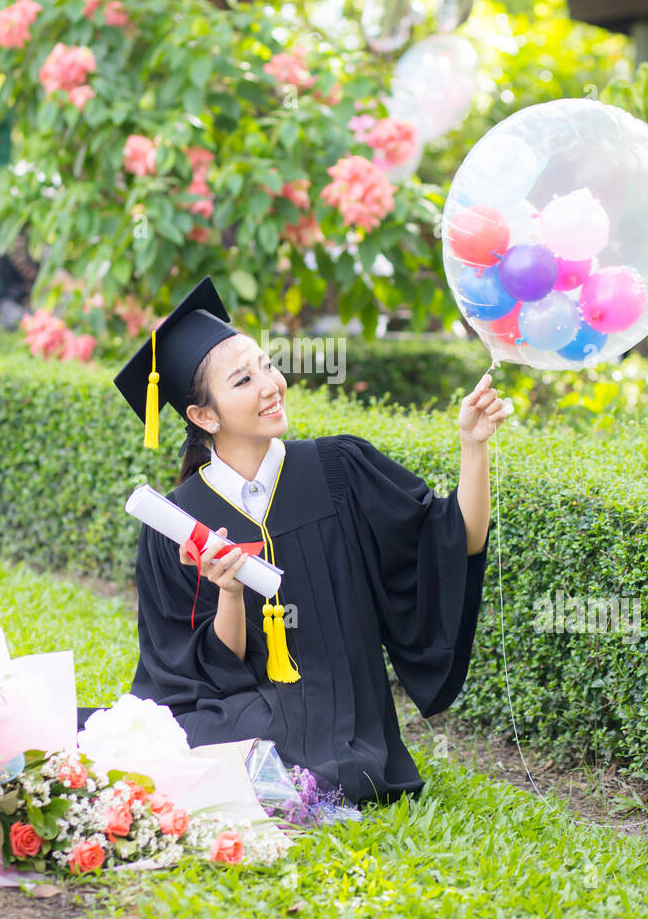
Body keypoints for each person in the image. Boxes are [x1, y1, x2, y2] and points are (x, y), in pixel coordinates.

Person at [83, 276, 506, 807]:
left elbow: (452, 539)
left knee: (342, 772)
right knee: (166, 745)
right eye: (243, 380)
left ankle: (262, 769)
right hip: (236, 708)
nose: (269, 384)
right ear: (203, 415)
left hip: (342, 711)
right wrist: (231, 593)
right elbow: (197, 675)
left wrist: (474, 445)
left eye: (266, 365)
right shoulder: (176, 522)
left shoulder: (340, 470)